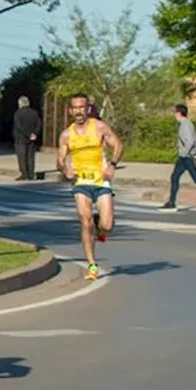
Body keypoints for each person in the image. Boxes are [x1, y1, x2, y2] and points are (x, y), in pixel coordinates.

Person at [55, 92, 124, 280]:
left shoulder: (99, 127)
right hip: (81, 183)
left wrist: (112, 165)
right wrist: (65, 170)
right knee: (84, 222)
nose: (79, 111)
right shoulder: (66, 135)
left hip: (101, 180)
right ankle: (92, 265)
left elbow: (118, 144)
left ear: (87, 109)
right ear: (70, 111)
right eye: (75, 108)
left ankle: (100, 229)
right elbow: (59, 160)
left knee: (107, 225)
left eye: (82, 107)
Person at [12, 95, 42, 181]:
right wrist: (34, 134)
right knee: (30, 157)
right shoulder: (34, 113)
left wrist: (28, 134)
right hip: (32, 139)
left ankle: (24, 174)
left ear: (20, 104)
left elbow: (19, 126)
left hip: (21, 139)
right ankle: (31, 174)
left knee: (22, 157)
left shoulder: (18, 113)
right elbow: (39, 124)